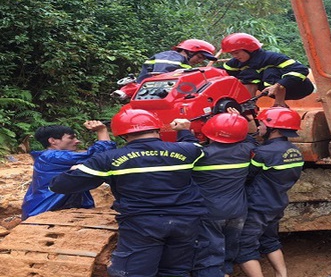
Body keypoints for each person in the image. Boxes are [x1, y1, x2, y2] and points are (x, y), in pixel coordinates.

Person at [49, 109, 206, 277]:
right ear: (157, 129)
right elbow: (196, 147)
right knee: (176, 271)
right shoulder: (187, 151)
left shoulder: (109, 159)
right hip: (186, 221)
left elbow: (61, 185)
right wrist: (183, 130)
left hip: (142, 224)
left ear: (122, 134)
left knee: (135, 273)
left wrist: (78, 170)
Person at [235, 107, 304, 277]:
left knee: (244, 246)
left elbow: (247, 176)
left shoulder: (263, 153)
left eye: (261, 124)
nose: (258, 128)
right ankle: (282, 275)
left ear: (273, 128)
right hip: (276, 203)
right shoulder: (295, 151)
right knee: (270, 240)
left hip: (258, 206)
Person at [190, 111, 257, 277]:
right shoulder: (247, 150)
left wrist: (186, 133)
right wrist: (244, 119)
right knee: (227, 255)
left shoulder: (201, 155)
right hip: (238, 212)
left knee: (209, 258)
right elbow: (251, 138)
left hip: (211, 212)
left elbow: (183, 152)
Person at [21, 121, 116, 220]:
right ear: (52, 141)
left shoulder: (48, 157)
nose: (77, 141)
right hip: (43, 212)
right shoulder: (52, 157)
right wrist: (101, 131)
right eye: (71, 138)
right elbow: (101, 157)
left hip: (41, 209)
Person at [220, 32, 314, 107]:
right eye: (232, 54)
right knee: (247, 73)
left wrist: (279, 84)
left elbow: (301, 70)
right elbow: (221, 72)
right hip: (270, 91)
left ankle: (279, 105)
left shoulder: (272, 57)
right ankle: (248, 105)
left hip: (298, 88)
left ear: (250, 49)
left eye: (237, 53)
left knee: (270, 71)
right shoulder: (236, 62)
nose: (235, 56)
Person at [136, 39, 218, 83]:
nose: (200, 61)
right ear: (190, 52)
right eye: (199, 57)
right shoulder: (171, 57)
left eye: (203, 59)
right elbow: (161, 79)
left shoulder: (180, 61)